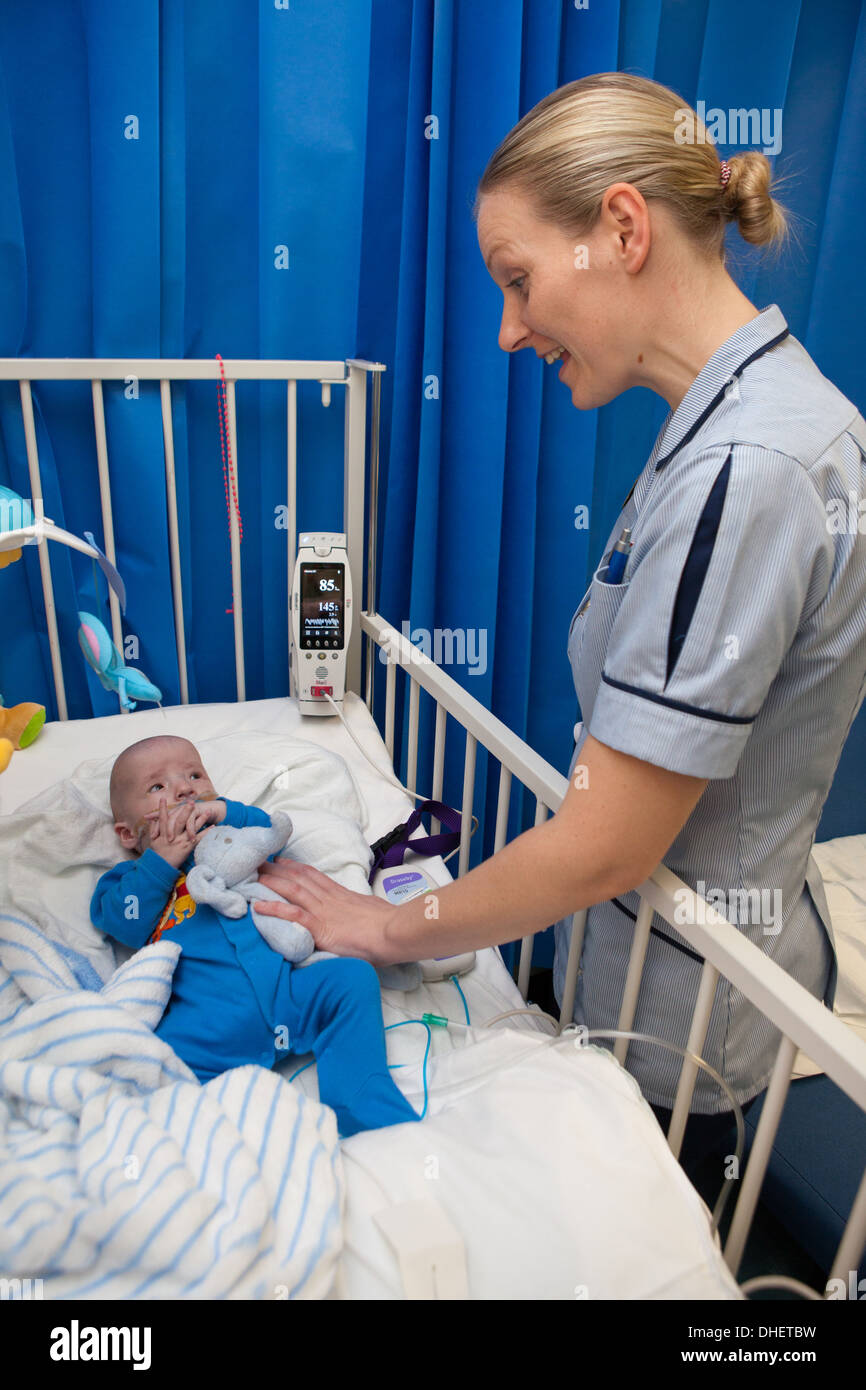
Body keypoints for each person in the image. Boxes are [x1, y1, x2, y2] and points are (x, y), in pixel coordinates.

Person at [254, 73, 866, 1169]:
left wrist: (384, 924)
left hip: (683, 1039)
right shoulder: (729, 424)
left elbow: (603, 844)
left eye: (518, 280)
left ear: (621, 229)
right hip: (635, 968)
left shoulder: (750, 468)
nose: (505, 330)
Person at [91, 734, 419, 1137]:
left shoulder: (236, 840)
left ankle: (361, 1099)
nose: (183, 788)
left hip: (287, 993)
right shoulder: (132, 877)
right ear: (128, 835)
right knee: (158, 1077)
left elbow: (268, 832)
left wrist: (223, 811)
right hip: (208, 1018)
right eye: (157, 787)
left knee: (351, 979)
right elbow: (123, 922)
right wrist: (161, 862)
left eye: (194, 775)